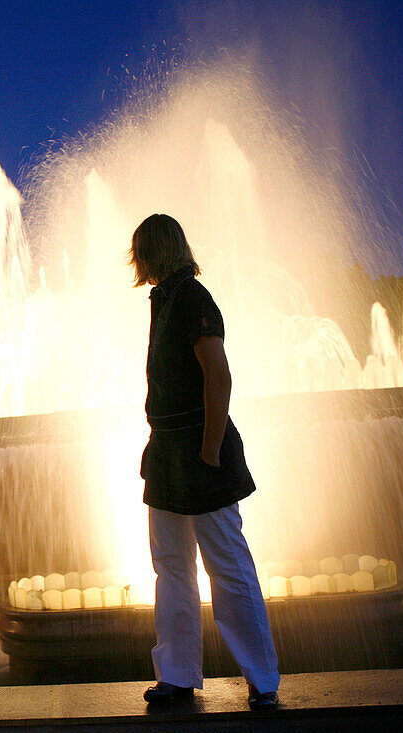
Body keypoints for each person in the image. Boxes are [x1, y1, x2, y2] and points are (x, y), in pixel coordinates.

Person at [129, 213, 279, 710]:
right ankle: (175, 674)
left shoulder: (192, 298)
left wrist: (211, 448)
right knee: (172, 566)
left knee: (227, 565)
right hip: (170, 453)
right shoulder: (167, 299)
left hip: (198, 451)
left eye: (141, 252)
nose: (138, 263)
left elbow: (219, 374)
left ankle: (261, 678)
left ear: (154, 251)